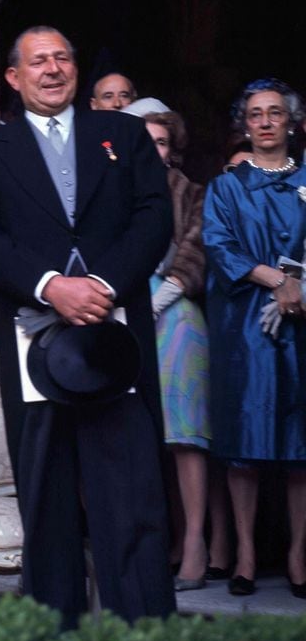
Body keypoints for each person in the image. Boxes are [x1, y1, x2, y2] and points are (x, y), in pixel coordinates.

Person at [0, 26, 175, 627]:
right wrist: (53, 286)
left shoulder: (124, 134)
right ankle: (57, 633)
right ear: (13, 76)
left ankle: (144, 631)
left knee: (131, 491)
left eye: (62, 58)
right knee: (48, 495)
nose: (53, 69)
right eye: (38, 61)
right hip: (33, 336)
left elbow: (154, 218)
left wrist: (101, 287)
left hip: (115, 332)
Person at [202, 78, 306, 598]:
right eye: (256, 115)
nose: (265, 122)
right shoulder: (226, 187)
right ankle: (244, 551)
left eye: (275, 113)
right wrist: (276, 281)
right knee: (244, 442)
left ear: (292, 121)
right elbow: (219, 246)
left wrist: (301, 288)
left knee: (300, 445)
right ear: (245, 124)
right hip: (243, 325)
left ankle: (297, 555)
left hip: (302, 323)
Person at [124, 98, 228, 590]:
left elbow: (197, 248)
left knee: (185, 434)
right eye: (145, 141)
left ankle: (195, 545)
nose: (154, 149)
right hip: (123, 316)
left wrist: (164, 296)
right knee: (140, 435)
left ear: (173, 148)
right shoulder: (115, 195)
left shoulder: (192, 192)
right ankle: (156, 540)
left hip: (176, 314)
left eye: (162, 141)